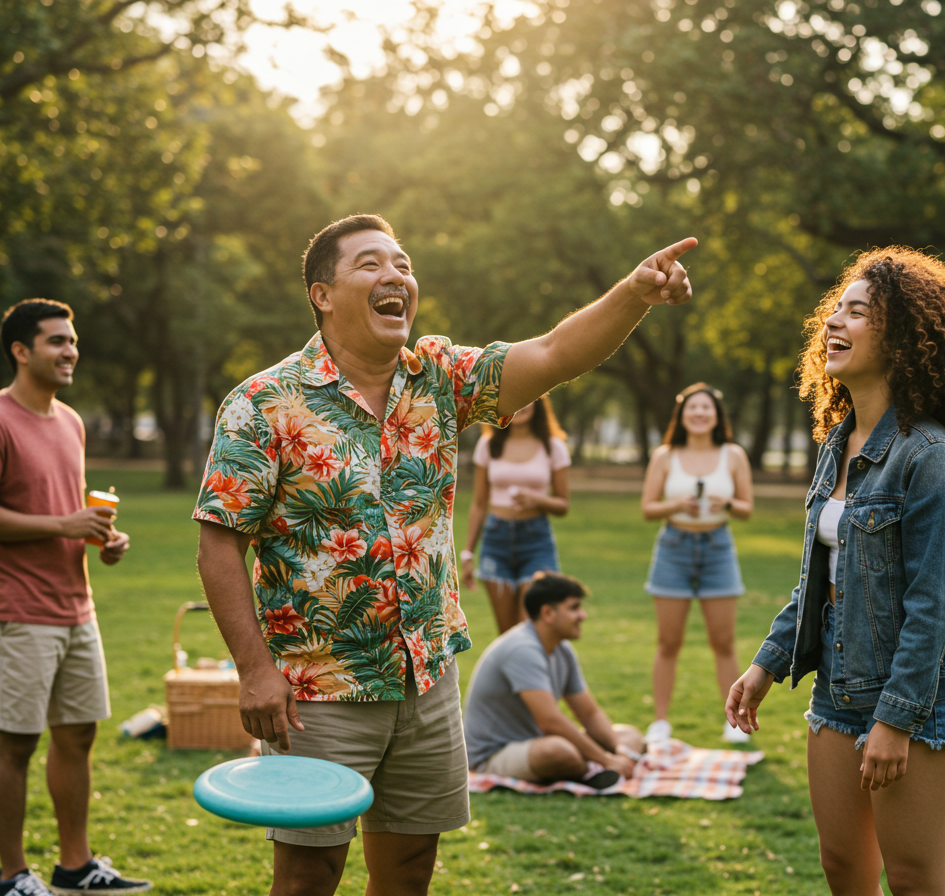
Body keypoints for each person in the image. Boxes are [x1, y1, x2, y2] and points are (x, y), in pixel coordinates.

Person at [193, 214, 694, 896]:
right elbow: (220, 541)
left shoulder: (438, 376)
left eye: (402, 263)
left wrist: (634, 293)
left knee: (408, 872)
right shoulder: (262, 403)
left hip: (424, 680)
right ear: (322, 294)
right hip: (319, 690)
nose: (396, 275)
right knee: (310, 876)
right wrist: (254, 671)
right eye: (370, 264)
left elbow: (553, 353)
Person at [725, 248, 945, 895]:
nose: (834, 322)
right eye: (835, 309)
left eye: (857, 311)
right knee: (844, 869)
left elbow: (933, 604)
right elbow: (823, 577)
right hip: (838, 688)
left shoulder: (932, 457)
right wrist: (766, 663)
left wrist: (895, 719)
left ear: (904, 336)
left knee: (914, 878)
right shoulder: (840, 443)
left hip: (917, 700)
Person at [0, 300, 149, 896]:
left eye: (72, 340)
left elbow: (68, 507)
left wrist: (102, 540)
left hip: (76, 607)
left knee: (78, 734)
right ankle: (11, 876)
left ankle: (74, 866)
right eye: (56, 341)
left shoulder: (72, 421)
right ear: (21, 351)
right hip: (17, 610)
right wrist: (62, 526)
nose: (70, 350)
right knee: (17, 740)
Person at [639, 383, 754, 745]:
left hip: (717, 548)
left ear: (717, 415)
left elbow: (747, 509)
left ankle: (733, 721)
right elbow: (647, 508)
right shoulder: (665, 455)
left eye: (707, 408)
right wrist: (676, 505)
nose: (700, 413)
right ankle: (660, 722)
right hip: (674, 547)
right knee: (668, 642)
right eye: (693, 408)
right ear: (683, 415)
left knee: (723, 641)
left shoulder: (733, 454)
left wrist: (728, 504)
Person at [463, 572, 644, 788]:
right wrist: (606, 758)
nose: (583, 615)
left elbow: (589, 714)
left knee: (629, 735)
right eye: (574, 608)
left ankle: (602, 769)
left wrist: (619, 749)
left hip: (535, 741)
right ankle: (595, 770)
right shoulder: (522, 649)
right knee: (558, 751)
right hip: (493, 754)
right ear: (547, 613)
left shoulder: (562, 649)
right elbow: (550, 722)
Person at [461, 396, 570, 633]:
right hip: (496, 542)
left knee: (531, 628)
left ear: (539, 402)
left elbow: (563, 505)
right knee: (507, 634)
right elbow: (479, 503)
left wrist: (538, 500)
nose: (522, 404)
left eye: (529, 397)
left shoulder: (553, 446)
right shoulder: (489, 445)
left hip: (536, 542)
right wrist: (468, 553)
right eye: (518, 397)